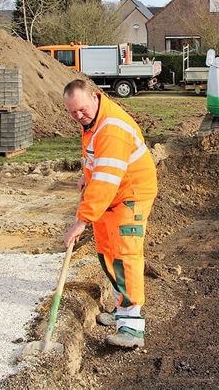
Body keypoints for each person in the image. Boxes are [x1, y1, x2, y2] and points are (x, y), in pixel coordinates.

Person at [62, 79, 158, 347]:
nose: (79, 116)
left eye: (82, 109)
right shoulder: (93, 122)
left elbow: (106, 180)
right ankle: (121, 310)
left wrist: (81, 221)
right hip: (112, 196)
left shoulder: (111, 128)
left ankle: (132, 327)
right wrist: (86, 175)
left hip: (129, 196)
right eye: (73, 112)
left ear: (96, 97)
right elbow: (96, 159)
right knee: (106, 251)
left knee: (124, 256)